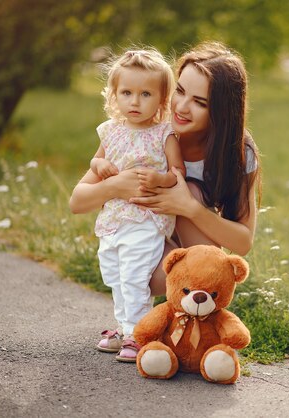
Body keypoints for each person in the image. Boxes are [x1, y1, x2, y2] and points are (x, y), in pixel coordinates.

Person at [69, 41, 262, 296]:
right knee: (139, 275)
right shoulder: (147, 133)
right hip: (143, 248)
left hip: (195, 249)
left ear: (222, 111)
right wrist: (114, 185)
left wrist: (188, 207)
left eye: (200, 102)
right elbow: (77, 202)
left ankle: (196, 312)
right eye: (179, 91)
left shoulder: (237, 152)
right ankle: (156, 316)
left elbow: (243, 242)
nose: (181, 107)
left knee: (191, 191)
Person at [73, 47, 186, 362]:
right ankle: (125, 327)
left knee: (134, 275)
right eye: (127, 92)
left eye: (146, 93)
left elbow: (178, 173)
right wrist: (100, 169)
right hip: (114, 219)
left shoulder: (164, 133)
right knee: (114, 274)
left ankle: (138, 334)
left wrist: (160, 179)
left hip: (145, 218)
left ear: (162, 99)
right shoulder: (111, 131)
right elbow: (97, 159)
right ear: (114, 95)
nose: (135, 101)